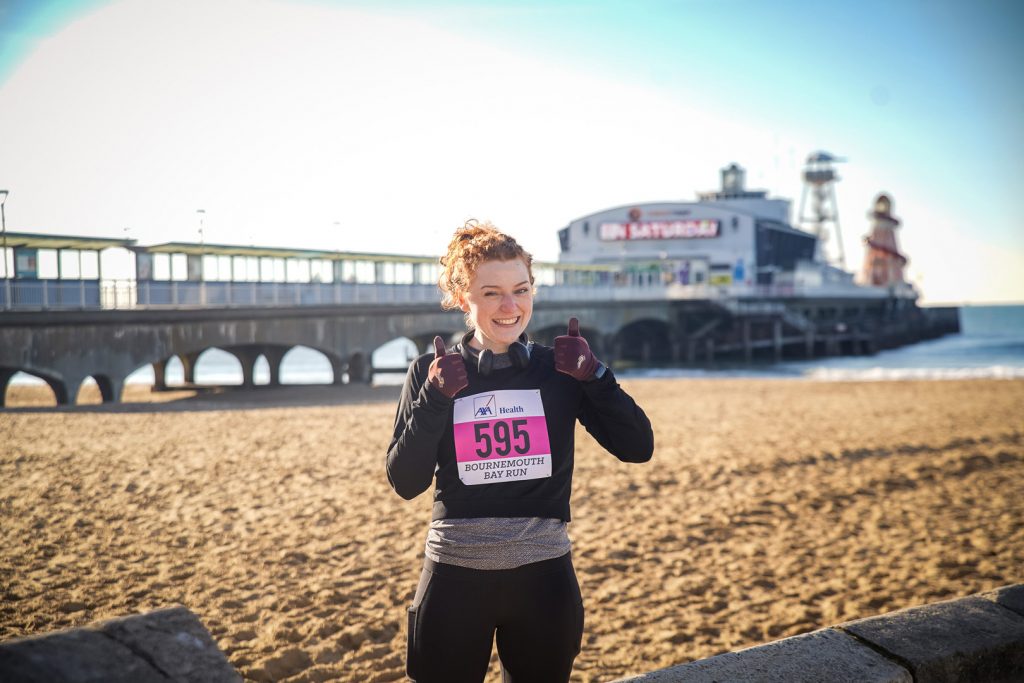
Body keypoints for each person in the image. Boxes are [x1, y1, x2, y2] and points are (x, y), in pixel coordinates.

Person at [386, 220, 654, 683]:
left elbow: (638, 447)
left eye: (521, 289)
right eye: (491, 293)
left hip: (544, 581)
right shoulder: (433, 371)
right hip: (453, 580)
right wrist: (434, 396)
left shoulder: (562, 368)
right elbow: (405, 482)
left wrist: (595, 375)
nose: (510, 306)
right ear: (461, 297)